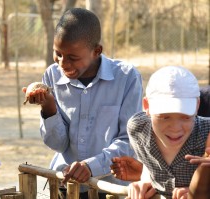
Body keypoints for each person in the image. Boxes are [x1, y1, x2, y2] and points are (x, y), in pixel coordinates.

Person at [22, 8, 143, 198]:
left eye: (73, 57)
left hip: (110, 188)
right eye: (58, 54)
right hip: (65, 185)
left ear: (97, 51)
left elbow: (129, 141)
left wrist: (92, 166)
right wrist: (49, 107)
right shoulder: (52, 76)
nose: (63, 63)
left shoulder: (127, 78)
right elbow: (58, 145)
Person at [115, 66, 210, 198]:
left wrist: (201, 191)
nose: (175, 128)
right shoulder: (139, 129)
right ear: (147, 106)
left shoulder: (207, 133)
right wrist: (146, 180)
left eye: (185, 117)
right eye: (164, 117)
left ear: (197, 105)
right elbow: (149, 163)